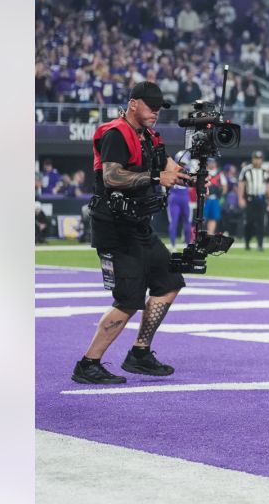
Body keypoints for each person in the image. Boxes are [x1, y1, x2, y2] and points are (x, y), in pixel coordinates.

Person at [72, 81, 192, 385]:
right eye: (150, 106)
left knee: (169, 282)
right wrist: (156, 175)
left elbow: (168, 166)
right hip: (114, 227)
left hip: (139, 225)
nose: (155, 113)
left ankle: (139, 353)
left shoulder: (150, 136)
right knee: (128, 298)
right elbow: (112, 176)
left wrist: (191, 179)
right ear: (133, 103)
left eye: (159, 108)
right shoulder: (116, 133)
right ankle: (88, 364)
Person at [237, 151, 269, 251]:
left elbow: (268, 186)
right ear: (252, 159)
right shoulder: (246, 170)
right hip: (250, 199)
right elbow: (241, 185)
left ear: (262, 159)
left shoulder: (265, 171)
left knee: (261, 222)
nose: (257, 160)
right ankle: (247, 242)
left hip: (261, 199)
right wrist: (240, 198)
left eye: (259, 158)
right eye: (256, 158)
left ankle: (260, 244)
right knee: (249, 222)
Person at [166, 150, 194, 249]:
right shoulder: (188, 169)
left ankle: (175, 245)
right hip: (183, 197)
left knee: (177, 222)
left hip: (175, 197)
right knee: (184, 222)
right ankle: (183, 245)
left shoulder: (172, 168)